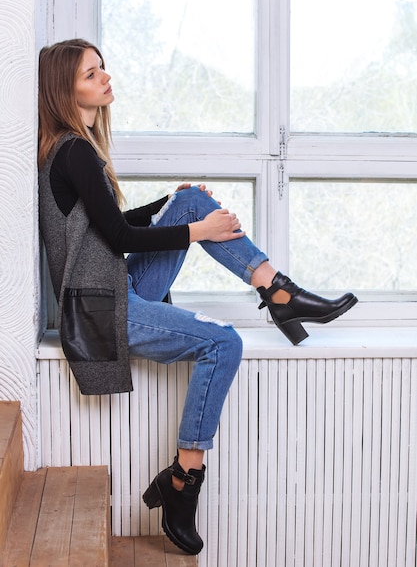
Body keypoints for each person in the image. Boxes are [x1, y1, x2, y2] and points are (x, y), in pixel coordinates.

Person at [37, 38, 357, 555]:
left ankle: (277, 289)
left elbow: (106, 228)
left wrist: (175, 207)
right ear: (62, 90)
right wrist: (199, 232)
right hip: (102, 307)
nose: (106, 78)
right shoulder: (72, 151)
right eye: (92, 74)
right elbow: (119, 240)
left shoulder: (74, 150)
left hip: (109, 290)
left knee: (189, 199)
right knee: (224, 344)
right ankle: (183, 480)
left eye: (103, 69)